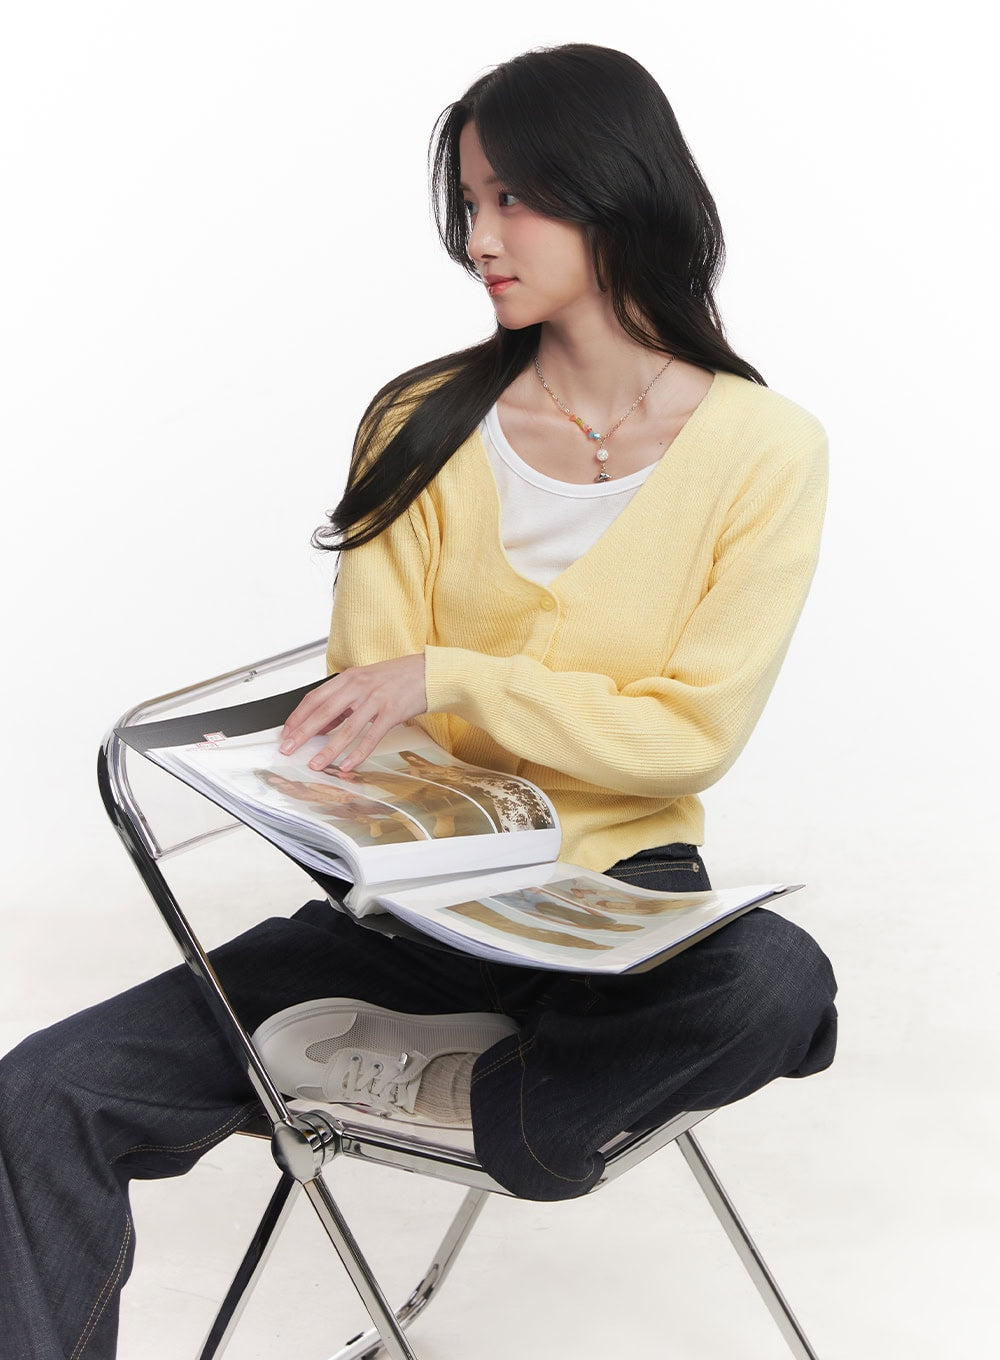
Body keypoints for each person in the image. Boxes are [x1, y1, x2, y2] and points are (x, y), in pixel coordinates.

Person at [0, 43, 837, 1359]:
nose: (478, 239)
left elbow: (690, 732)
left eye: (515, 200)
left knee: (781, 982)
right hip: (408, 919)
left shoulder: (765, 449)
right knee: (41, 1092)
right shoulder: (420, 419)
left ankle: (492, 1097)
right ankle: (496, 1083)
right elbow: (374, 717)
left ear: (616, 190)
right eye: (471, 202)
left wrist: (456, 677)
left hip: (617, 902)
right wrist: (406, 730)